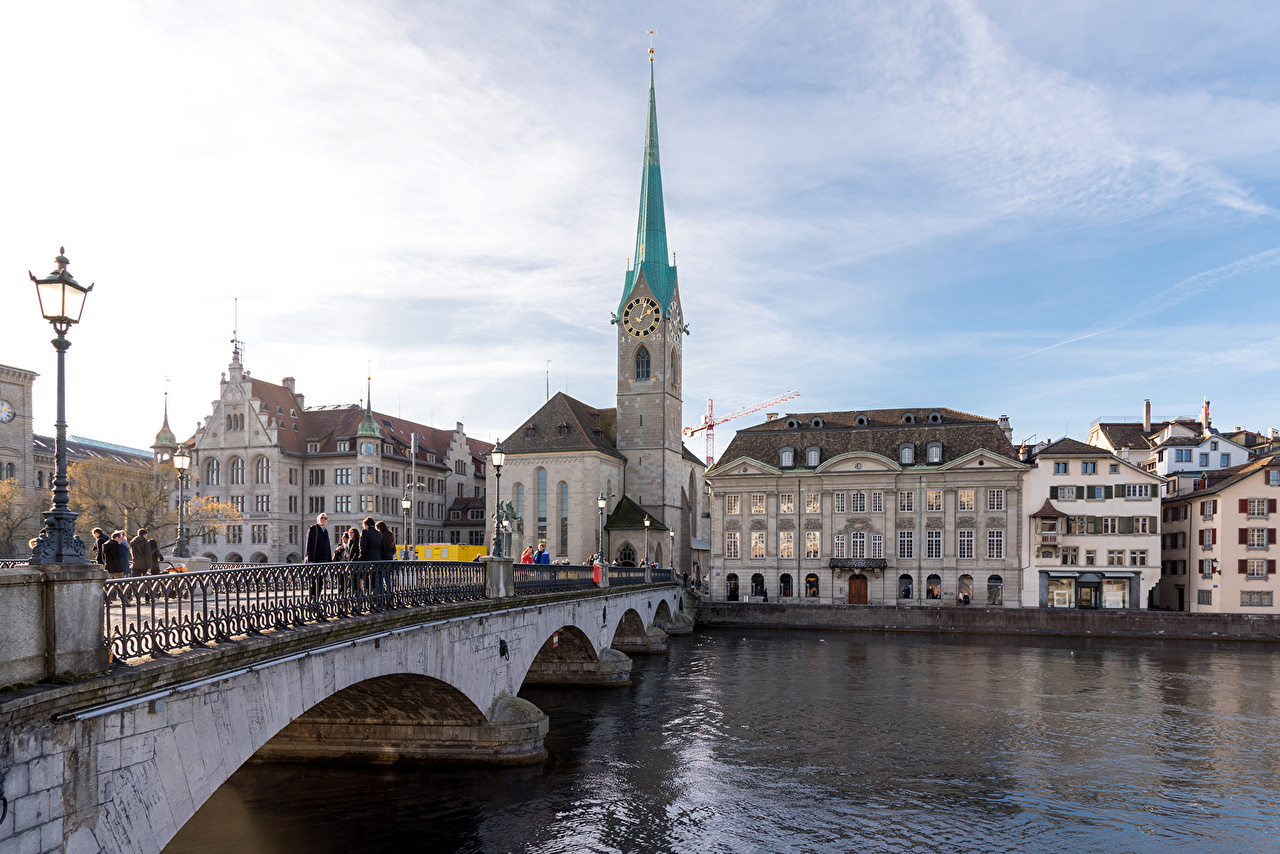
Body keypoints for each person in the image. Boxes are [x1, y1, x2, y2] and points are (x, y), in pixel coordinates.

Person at [305, 513, 332, 611]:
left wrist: (329, 561)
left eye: (325, 518)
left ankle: (316, 602)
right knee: (313, 583)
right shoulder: (313, 529)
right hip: (315, 561)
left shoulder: (326, 531)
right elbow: (309, 545)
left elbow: (327, 547)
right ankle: (310, 604)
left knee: (320, 583)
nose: (324, 519)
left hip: (323, 561)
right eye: (322, 518)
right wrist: (311, 560)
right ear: (318, 520)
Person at [358, 517, 382, 609]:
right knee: (375, 581)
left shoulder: (365, 533)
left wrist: (361, 559)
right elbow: (382, 548)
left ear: (366, 525)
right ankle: (377, 600)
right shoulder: (379, 534)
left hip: (368, 560)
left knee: (368, 582)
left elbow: (362, 548)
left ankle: (370, 602)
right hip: (378, 560)